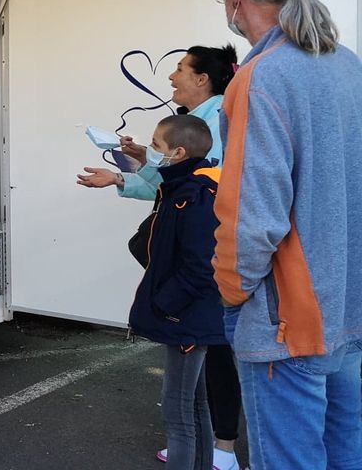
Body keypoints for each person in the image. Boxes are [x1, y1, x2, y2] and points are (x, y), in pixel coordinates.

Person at [212, 0, 362, 470]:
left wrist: (230, 290)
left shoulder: (261, 76)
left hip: (288, 318)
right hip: (345, 303)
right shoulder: (346, 63)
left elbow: (253, 217)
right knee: (346, 453)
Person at [76, 45, 245, 470]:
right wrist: (133, 166)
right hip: (197, 291)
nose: (172, 76)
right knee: (202, 379)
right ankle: (214, 450)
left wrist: (165, 305)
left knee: (209, 367)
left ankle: (222, 450)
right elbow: (171, 178)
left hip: (196, 294)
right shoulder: (197, 131)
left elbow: (194, 185)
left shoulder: (218, 124)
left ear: (202, 78)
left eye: (180, 68)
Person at [128, 114, 225, 470]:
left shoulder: (195, 196)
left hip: (187, 316)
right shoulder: (187, 187)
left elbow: (203, 267)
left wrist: (165, 304)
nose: (152, 152)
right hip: (193, 316)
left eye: (156, 146)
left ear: (178, 152)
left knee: (178, 414)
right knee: (195, 406)